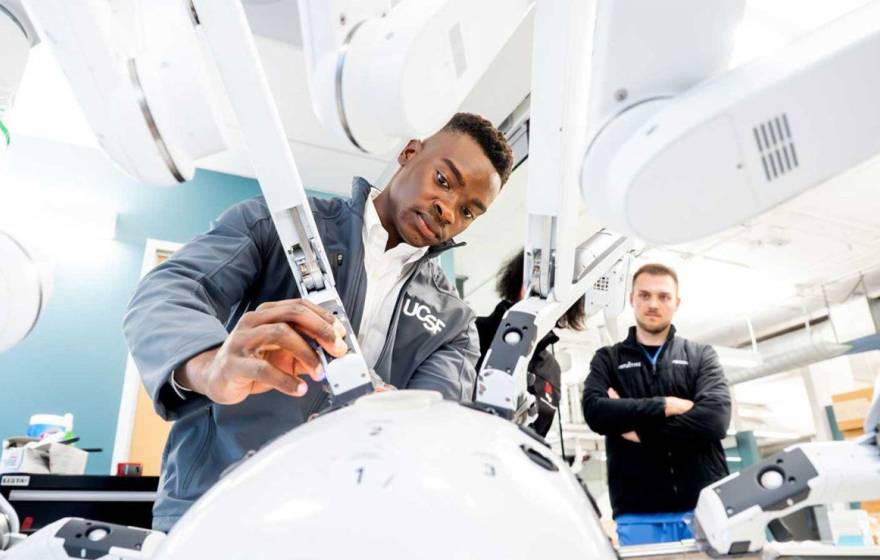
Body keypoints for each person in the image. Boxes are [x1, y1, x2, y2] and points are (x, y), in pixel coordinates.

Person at [123, 112, 514, 531]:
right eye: (443, 180)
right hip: (214, 508)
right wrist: (208, 365)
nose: (447, 210)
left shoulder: (453, 325)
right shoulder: (280, 226)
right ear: (409, 153)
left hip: (335, 525)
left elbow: (428, 430)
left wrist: (395, 423)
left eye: (469, 211)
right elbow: (168, 292)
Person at [581, 263, 731, 546]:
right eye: (645, 295)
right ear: (632, 299)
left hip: (706, 506)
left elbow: (715, 418)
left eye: (663, 296)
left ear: (677, 303)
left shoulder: (700, 356)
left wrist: (637, 430)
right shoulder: (608, 359)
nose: (653, 303)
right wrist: (665, 404)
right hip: (638, 513)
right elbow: (595, 412)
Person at [475, 249, 585, 437]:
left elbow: (538, 432)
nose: (549, 297)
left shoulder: (550, 369)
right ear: (521, 283)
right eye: (540, 285)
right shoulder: (472, 332)